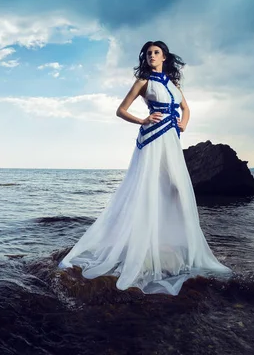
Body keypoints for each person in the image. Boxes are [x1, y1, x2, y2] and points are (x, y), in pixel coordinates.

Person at [58, 40, 231, 295]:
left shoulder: (174, 84)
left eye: (156, 52)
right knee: (148, 187)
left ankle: (169, 244)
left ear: (164, 57)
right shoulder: (143, 81)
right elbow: (121, 110)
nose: (151, 56)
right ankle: (143, 246)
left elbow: (186, 108)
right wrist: (143, 119)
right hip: (152, 138)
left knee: (176, 188)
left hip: (171, 138)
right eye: (148, 53)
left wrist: (184, 123)